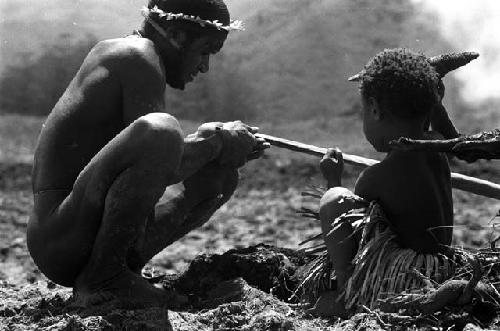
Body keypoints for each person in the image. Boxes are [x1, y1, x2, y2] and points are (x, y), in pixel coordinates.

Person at [27, 0, 268, 308]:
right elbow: (162, 148)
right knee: (163, 130)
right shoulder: (136, 56)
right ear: (178, 37)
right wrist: (218, 141)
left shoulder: (143, 58)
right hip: (60, 237)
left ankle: (121, 270)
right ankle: (104, 278)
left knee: (219, 178)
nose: (205, 65)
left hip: (81, 229)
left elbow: (156, 158)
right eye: (205, 50)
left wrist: (216, 145)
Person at [310, 48, 453, 317]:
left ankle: (347, 294)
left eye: (363, 111)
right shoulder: (437, 146)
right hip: (443, 272)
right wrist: (431, 95)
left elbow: (354, 233)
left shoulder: (376, 177)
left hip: (408, 281)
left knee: (334, 201)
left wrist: (333, 179)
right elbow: (441, 124)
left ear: (374, 109)